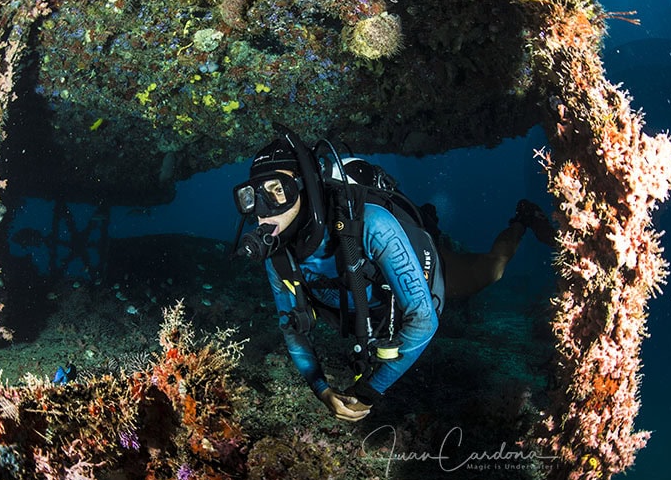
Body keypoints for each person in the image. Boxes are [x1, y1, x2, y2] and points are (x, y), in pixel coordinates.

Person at [232, 131, 554, 422]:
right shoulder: (278, 255)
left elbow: (424, 321)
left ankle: (522, 220)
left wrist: (370, 391)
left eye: (278, 191)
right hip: (377, 298)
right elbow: (292, 329)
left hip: (431, 270)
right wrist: (322, 389)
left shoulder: (371, 223)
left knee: (492, 269)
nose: (263, 209)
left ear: (306, 187)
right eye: (253, 196)